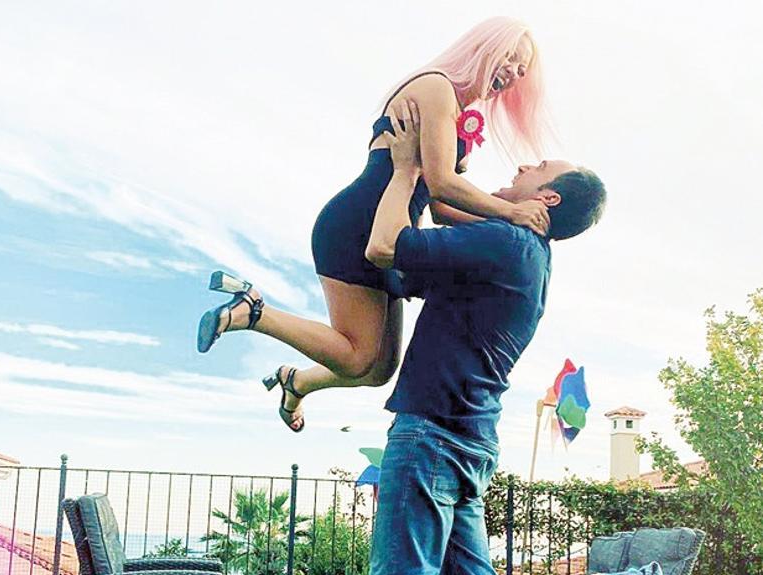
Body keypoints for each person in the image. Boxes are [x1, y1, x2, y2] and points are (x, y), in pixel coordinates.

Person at [337, 102, 606, 575]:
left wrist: (404, 168)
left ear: (548, 198)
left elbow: (387, 246)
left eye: (536, 167)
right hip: (465, 439)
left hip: (432, 434)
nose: (521, 164)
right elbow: (438, 227)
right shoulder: (517, 254)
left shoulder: (509, 244)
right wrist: (437, 171)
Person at [197, 17, 551, 432]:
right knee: (357, 358)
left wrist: (515, 234)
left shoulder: (461, 115)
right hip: (357, 224)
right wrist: (511, 212)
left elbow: (440, 207)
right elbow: (442, 181)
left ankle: (296, 382)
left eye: (522, 69)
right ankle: (253, 311)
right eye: (510, 57)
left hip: (392, 229)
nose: (513, 72)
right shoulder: (436, 87)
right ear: (484, 47)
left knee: (380, 369)